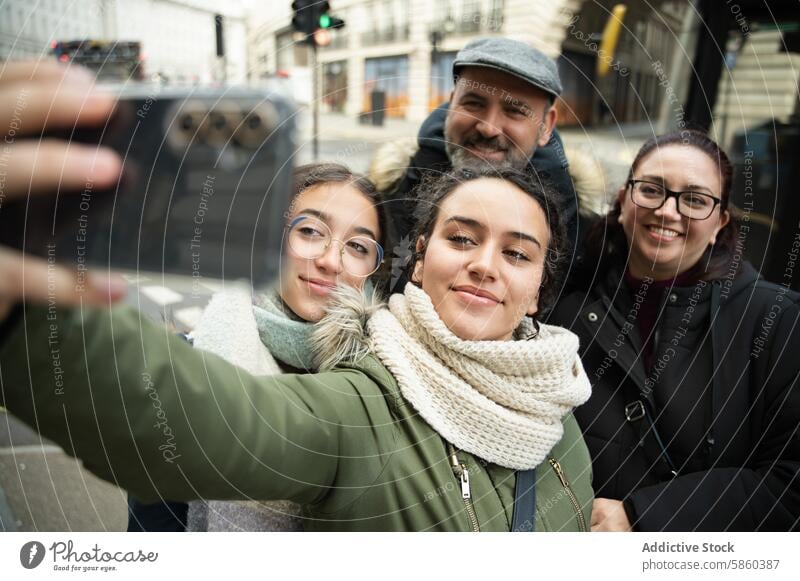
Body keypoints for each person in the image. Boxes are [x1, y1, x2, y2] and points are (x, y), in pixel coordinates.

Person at [0, 58, 593, 528]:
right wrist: (25, 314)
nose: (486, 265)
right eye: (462, 238)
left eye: (518, 253)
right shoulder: (363, 403)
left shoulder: (560, 411)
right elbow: (198, 421)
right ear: (417, 261)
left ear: (543, 288)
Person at [548, 129, 800, 531]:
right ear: (623, 197)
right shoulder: (567, 309)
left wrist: (640, 518)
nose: (668, 210)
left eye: (696, 200)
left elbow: (791, 481)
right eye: (651, 189)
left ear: (719, 223)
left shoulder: (777, 321)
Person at [127, 162, 387, 532]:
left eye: (357, 246)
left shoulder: (377, 390)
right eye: (310, 231)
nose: (331, 261)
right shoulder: (183, 372)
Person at [371, 37, 579, 291]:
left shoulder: (585, 240)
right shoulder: (379, 208)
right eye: (473, 104)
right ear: (451, 104)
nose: (488, 128)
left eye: (515, 110)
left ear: (546, 126)